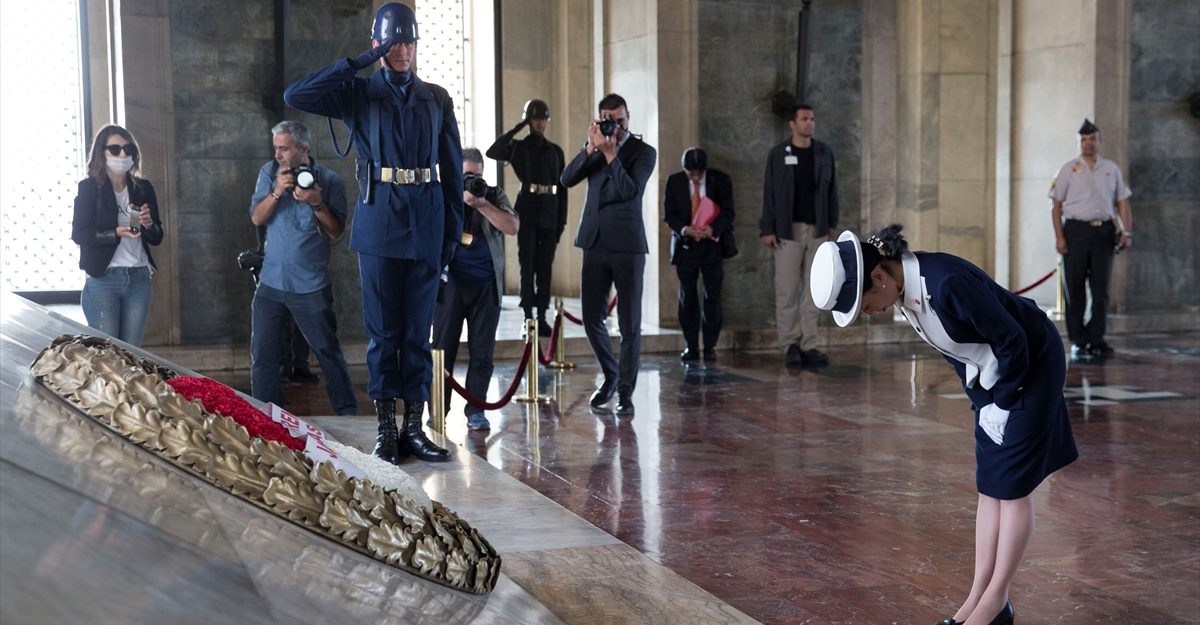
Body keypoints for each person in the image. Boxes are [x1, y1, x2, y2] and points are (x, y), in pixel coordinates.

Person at [811, 224, 1078, 625]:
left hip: (1033, 363)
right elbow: (958, 353)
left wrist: (1004, 402)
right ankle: (977, 599)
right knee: (990, 485)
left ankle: (995, 603)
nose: (868, 314)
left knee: (1013, 487)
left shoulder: (946, 282)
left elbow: (1013, 340)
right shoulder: (904, 296)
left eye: (863, 305)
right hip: (995, 375)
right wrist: (984, 401)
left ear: (879, 277)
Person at [284, 2, 462, 463]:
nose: (402, 50)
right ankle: (385, 427)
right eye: (392, 41)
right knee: (383, 334)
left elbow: (452, 170)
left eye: (408, 41)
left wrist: (451, 234)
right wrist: (360, 63)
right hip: (379, 220)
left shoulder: (437, 98)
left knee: (417, 333)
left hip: (426, 220)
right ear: (377, 44)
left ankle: (414, 428)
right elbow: (296, 95)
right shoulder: (358, 93)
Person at [248, 121, 358, 417]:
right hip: (271, 282)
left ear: (303, 149)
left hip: (310, 284)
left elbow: (336, 232)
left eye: (284, 148)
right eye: (276, 148)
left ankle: (348, 415)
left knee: (328, 354)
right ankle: (267, 416)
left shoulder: (330, 180)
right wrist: (275, 192)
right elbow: (257, 219)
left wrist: (316, 202)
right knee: (263, 356)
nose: (278, 155)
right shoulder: (268, 174)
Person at [561, 93, 657, 416]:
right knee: (591, 318)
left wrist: (611, 154)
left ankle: (626, 393)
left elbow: (630, 191)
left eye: (620, 119)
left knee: (629, 324)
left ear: (628, 118)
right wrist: (590, 148)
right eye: (608, 119)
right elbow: (566, 178)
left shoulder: (644, 152)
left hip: (627, 245)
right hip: (594, 241)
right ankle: (611, 374)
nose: (614, 125)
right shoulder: (596, 147)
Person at [432, 148, 519, 431]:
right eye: (467, 175)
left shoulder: (492, 195)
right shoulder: (443, 194)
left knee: (483, 353)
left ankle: (476, 410)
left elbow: (512, 226)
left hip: (486, 286)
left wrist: (481, 204)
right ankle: (437, 409)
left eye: (477, 175)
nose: (472, 180)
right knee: (443, 349)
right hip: (452, 284)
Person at [759, 103, 839, 368]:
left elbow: (832, 191)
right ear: (792, 124)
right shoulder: (778, 154)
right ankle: (790, 343)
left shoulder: (824, 152)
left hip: (817, 229)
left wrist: (832, 224)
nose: (810, 123)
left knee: (815, 290)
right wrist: (767, 228)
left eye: (812, 119)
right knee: (787, 290)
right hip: (786, 230)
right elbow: (769, 192)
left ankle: (809, 344)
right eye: (804, 119)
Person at [71, 124, 164, 347]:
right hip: (104, 279)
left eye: (128, 149)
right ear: (101, 153)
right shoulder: (89, 189)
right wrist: (115, 233)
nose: (123, 154)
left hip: (139, 278)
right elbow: (79, 234)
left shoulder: (143, 187)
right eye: (114, 149)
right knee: (107, 354)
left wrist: (149, 224)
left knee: (132, 353)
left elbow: (157, 236)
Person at [1050, 118, 1133, 361]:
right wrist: (1059, 237)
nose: (1088, 143)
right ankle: (1078, 339)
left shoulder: (1111, 169)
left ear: (1099, 141)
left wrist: (1126, 232)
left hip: (1104, 233)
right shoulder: (1068, 169)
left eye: (1092, 138)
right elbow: (1055, 206)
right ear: (1078, 143)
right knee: (1074, 288)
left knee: (1101, 289)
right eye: (1084, 139)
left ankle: (1097, 338)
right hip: (1075, 232)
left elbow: (1122, 202)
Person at [486, 99, 567, 336]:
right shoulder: (518, 147)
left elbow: (563, 190)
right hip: (528, 210)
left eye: (543, 119)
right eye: (535, 119)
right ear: (529, 120)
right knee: (527, 263)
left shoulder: (555, 151)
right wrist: (519, 127)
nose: (539, 123)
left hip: (551, 212)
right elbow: (493, 151)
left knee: (545, 266)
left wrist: (561, 221)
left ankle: (542, 316)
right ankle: (527, 316)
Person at [663, 147, 734, 363]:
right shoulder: (674, 182)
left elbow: (729, 212)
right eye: (690, 174)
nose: (695, 177)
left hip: (711, 245)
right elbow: (669, 215)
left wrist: (713, 229)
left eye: (698, 174)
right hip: (686, 246)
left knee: (712, 296)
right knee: (688, 297)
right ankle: (691, 345)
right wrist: (685, 229)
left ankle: (710, 345)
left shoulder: (719, 180)